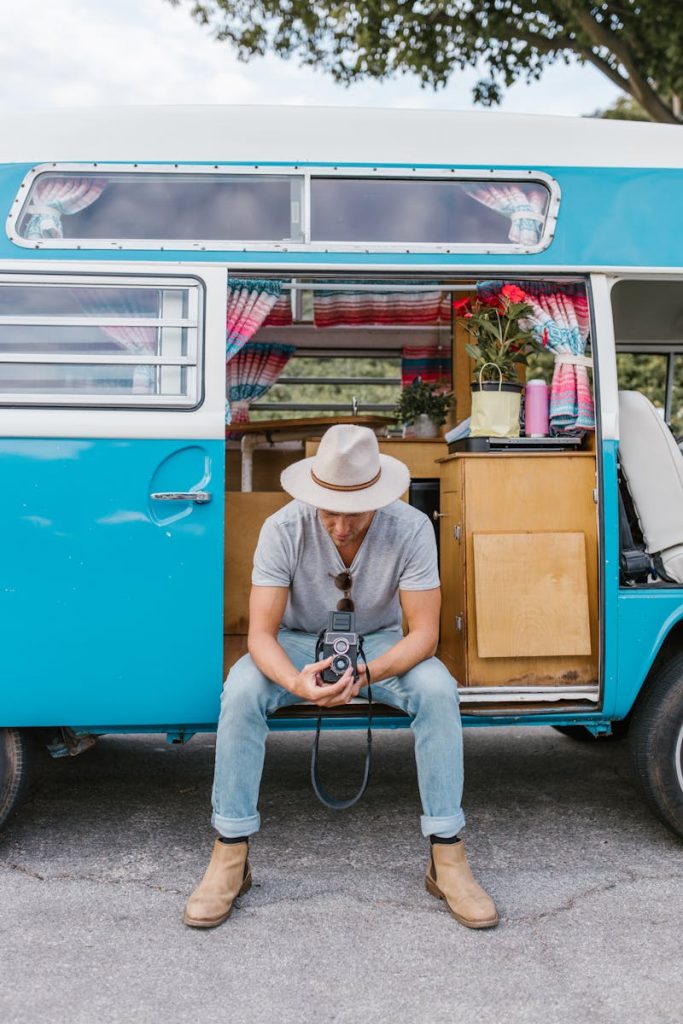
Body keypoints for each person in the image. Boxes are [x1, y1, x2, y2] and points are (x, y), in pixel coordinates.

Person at [184, 424, 498, 930]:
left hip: (378, 644)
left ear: (378, 496)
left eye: (354, 512)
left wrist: (367, 671)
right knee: (240, 689)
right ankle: (230, 855)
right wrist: (296, 684)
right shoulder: (282, 527)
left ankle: (448, 858)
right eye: (329, 510)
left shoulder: (412, 527)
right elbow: (260, 637)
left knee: (438, 688)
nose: (341, 526)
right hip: (295, 641)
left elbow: (424, 636)